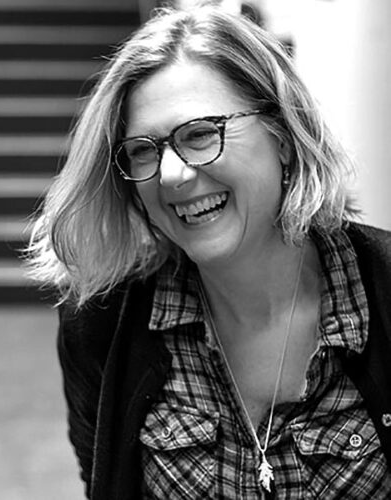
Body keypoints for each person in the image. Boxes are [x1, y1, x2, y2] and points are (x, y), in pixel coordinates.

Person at [27, 4, 391, 499]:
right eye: (143, 150)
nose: (171, 174)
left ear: (282, 136)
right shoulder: (102, 323)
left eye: (200, 134)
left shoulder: (383, 291)